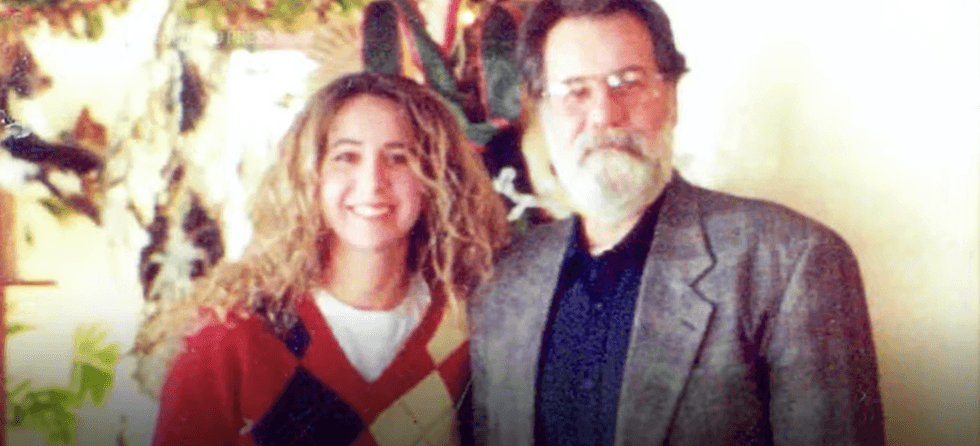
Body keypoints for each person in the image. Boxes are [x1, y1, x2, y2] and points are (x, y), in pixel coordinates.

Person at [468, 0, 886, 445]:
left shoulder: (790, 264)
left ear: (670, 97)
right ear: (542, 111)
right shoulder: (503, 283)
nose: (605, 115)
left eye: (627, 83)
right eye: (575, 91)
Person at [150, 72, 509, 446]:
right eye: (346, 157)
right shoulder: (231, 335)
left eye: (399, 158)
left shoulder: (469, 326)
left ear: (436, 179)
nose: (372, 182)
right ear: (309, 176)